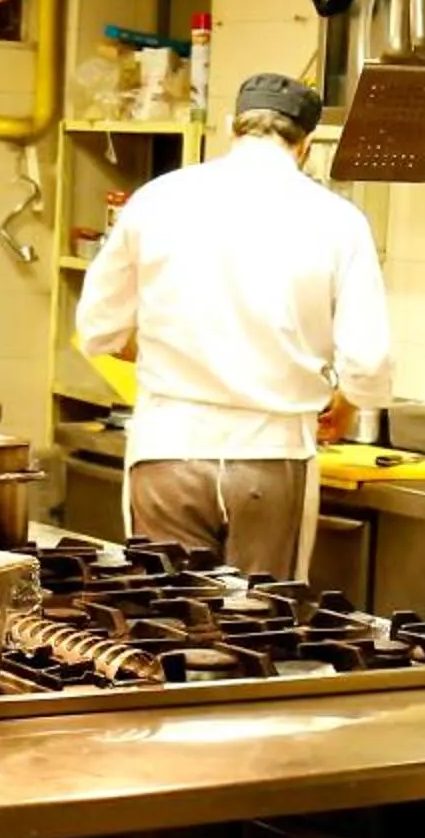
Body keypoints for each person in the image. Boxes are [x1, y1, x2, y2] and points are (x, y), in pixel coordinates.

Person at [74, 73, 394, 579]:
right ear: (305, 145)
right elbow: (369, 361)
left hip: (167, 450)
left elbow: (97, 328)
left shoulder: (158, 199)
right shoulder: (338, 220)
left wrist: (172, 347)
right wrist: (348, 403)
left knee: (163, 625)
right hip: (272, 457)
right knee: (258, 629)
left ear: (232, 129)